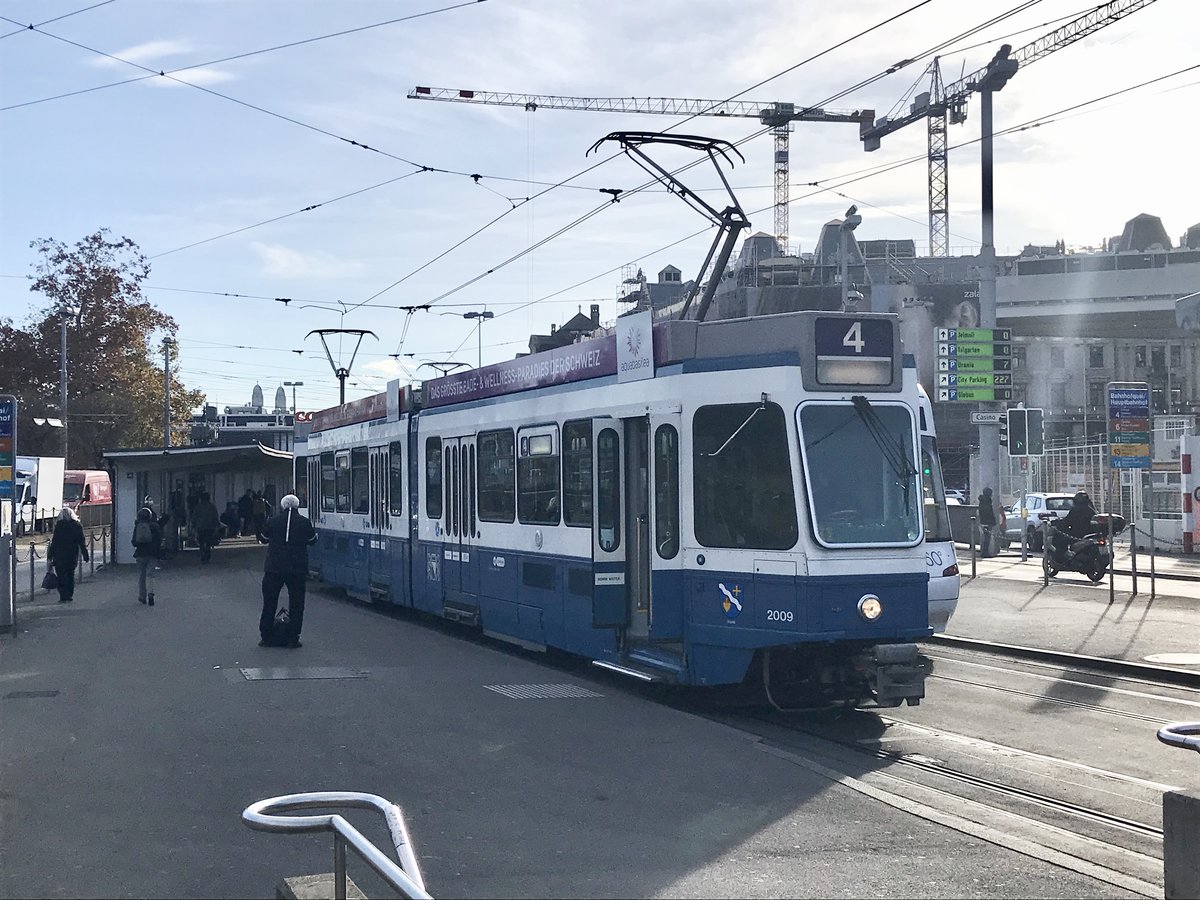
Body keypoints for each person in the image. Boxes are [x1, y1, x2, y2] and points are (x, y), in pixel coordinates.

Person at [256, 493, 317, 648]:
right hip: (297, 568)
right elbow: (312, 540)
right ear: (297, 506)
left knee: (269, 602)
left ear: (283, 506)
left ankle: (266, 636)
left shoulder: (274, 521)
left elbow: (263, 538)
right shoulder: (304, 522)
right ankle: (293, 637)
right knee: (296, 603)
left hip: (274, 567)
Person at [47, 507, 89, 603]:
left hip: (59, 556)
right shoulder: (77, 526)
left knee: (61, 576)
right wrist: (85, 555)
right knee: (70, 575)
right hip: (72, 555)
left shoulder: (59, 526)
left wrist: (50, 556)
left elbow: (55, 542)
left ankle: (63, 595)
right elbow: (81, 542)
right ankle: (69, 595)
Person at [131, 506, 163, 606]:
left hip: (140, 554)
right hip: (152, 554)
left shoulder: (138, 526)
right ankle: (151, 594)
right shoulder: (156, 526)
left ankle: (142, 596)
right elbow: (159, 541)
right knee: (150, 575)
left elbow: (134, 542)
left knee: (141, 575)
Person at [1053, 491, 1098, 560]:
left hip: (1078, 535)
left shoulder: (1076, 510)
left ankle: (1061, 558)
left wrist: (1057, 524)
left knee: (1060, 540)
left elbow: (1067, 522)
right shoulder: (1092, 511)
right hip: (1090, 535)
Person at [192, 492, 221, 563]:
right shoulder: (212, 507)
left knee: (201, 542)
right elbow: (215, 517)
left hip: (200, 527)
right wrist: (216, 526)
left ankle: (202, 554)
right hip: (209, 527)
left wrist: (194, 525)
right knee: (208, 542)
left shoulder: (198, 507)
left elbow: (194, 517)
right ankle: (207, 556)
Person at [977, 487, 997, 557]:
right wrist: (993, 521)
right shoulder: (987, 501)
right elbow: (989, 513)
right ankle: (985, 553)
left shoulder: (981, 501)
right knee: (987, 539)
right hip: (987, 522)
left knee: (985, 538)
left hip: (983, 521)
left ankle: (984, 552)